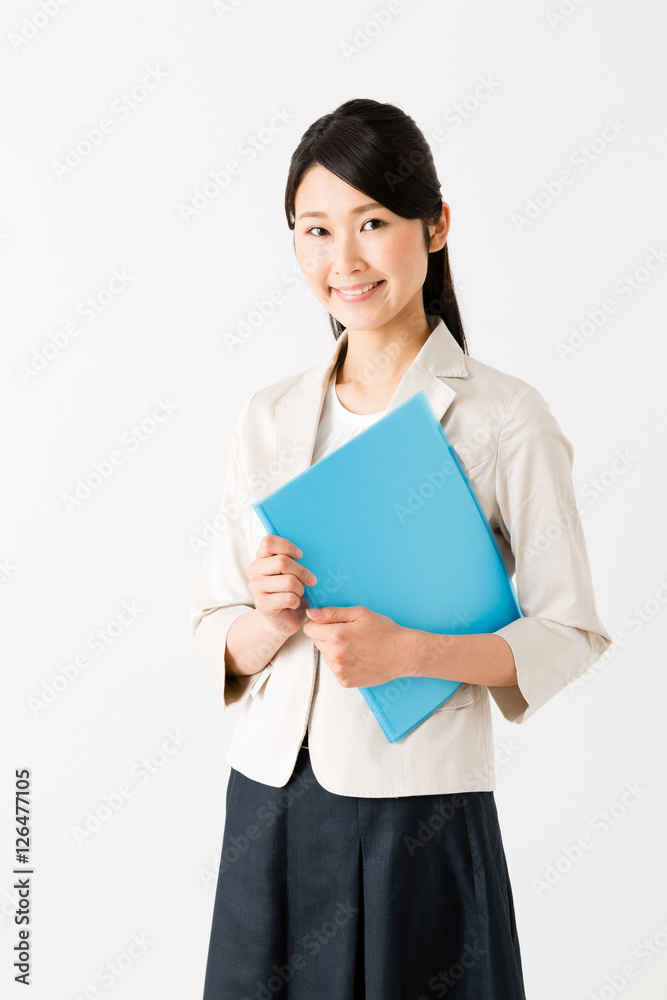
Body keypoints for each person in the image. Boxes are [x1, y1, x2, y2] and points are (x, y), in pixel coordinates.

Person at [191, 98, 612, 1000]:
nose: (342, 259)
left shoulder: (504, 416)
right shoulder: (268, 414)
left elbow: (569, 632)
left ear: (436, 225)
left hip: (414, 810)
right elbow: (213, 627)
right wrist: (266, 621)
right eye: (315, 229)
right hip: (267, 801)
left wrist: (411, 653)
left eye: (372, 222)